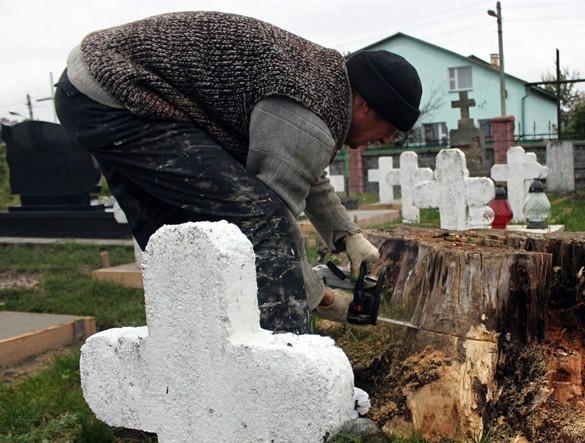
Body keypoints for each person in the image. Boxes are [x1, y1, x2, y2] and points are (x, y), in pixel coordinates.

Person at [54, 11, 423, 335]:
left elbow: (302, 169)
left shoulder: (324, 88)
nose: (385, 140)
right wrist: (323, 300)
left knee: (180, 241)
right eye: (389, 130)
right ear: (367, 107)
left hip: (98, 83)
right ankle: (291, 374)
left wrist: (347, 235)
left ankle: (200, 357)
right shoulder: (311, 117)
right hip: (115, 94)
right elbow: (269, 221)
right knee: (260, 224)